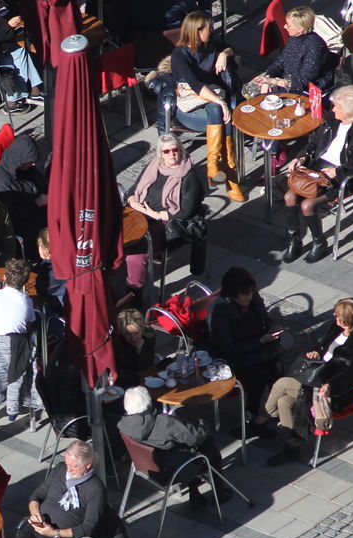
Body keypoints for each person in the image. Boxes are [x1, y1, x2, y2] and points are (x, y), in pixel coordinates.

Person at [262, 297, 353, 466]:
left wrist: (331, 387)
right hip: (318, 374)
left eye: (338, 315)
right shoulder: (338, 327)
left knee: (281, 384)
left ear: (347, 320)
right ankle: (292, 447)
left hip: (335, 390)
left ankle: (262, 419)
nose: (333, 316)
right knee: (284, 401)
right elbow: (322, 344)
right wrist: (316, 352)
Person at [280, 85, 353, 264]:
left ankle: (319, 242)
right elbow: (313, 143)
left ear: (349, 111)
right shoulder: (330, 120)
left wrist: (337, 171)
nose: (332, 110)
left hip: (344, 175)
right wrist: (300, 158)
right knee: (289, 197)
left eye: (337, 107)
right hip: (317, 169)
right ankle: (294, 239)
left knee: (307, 206)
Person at [171, 12, 245, 201]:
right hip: (190, 109)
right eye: (207, 28)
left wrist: (223, 54)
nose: (211, 30)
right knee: (219, 110)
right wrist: (221, 102)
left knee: (217, 111)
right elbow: (196, 85)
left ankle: (215, 167)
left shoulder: (210, 44)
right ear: (196, 32)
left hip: (212, 106)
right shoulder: (180, 55)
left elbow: (231, 49)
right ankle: (229, 178)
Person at [120, 386, 231, 508]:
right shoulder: (164, 422)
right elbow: (196, 437)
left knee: (182, 448)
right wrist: (202, 424)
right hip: (176, 471)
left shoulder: (124, 426)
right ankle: (219, 493)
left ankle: (195, 496)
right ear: (148, 405)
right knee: (209, 448)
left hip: (153, 471)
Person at [125, 133, 207, 289]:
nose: (172, 154)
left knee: (136, 256)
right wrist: (132, 201)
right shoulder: (153, 166)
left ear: (181, 149)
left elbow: (186, 212)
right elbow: (134, 189)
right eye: (166, 151)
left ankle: (134, 294)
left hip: (164, 221)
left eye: (175, 149)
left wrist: (155, 214)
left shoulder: (190, 176)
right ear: (161, 154)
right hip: (139, 212)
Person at [208, 267, 284, 422]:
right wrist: (260, 341)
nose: (250, 297)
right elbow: (227, 349)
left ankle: (277, 406)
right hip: (237, 356)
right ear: (233, 295)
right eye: (246, 294)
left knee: (278, 367)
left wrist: (272, 327)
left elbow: (265, 317)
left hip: (257, 347)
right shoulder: (220, 313)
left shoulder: (252, 297)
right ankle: (251, 414)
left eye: (251, 292)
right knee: (260, 374)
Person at [252, 7, 334, 94]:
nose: (284, 26)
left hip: (307, 91)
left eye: (289, 25)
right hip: (288, 83)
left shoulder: (314, 47)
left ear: (300, 29)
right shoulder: (294, 37)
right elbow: (281, 60)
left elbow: (302, 82)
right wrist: (268, 76)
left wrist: (273, 81)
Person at [0, 131, 46, 241]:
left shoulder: (22, 166)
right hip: (21, 226)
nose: (33, 164)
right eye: (30, 162)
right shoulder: (0, 183)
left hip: (34, 208)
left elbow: (38, 179)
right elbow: (11, 216)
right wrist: (37, 202)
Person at [110, 306, 157, 388]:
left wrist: (140, 350)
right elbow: (118, 372)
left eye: (136, 333)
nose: (133, 338)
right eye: (128, 334)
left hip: (145, 380)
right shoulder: (117, 344)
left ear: (142, 329)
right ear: (121, 332)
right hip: (125, 384)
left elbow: (148, 366)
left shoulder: (149, 338)